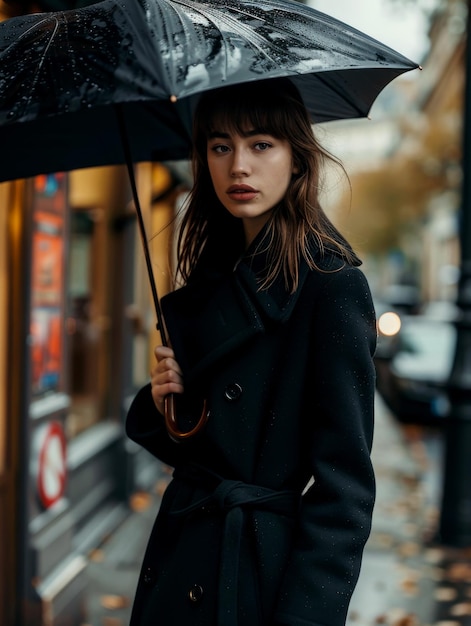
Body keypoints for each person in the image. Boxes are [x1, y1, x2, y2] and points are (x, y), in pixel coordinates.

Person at [126, 77, 377, 626]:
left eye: (261, 144)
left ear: (297, 157)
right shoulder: (202, 290)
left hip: (258, 578)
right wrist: (166, 400)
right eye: (221, 146)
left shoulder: (330, 285)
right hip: (182, 556)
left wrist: (305, 617)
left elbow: (345, 490)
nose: (238, 165)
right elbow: (202, 454)